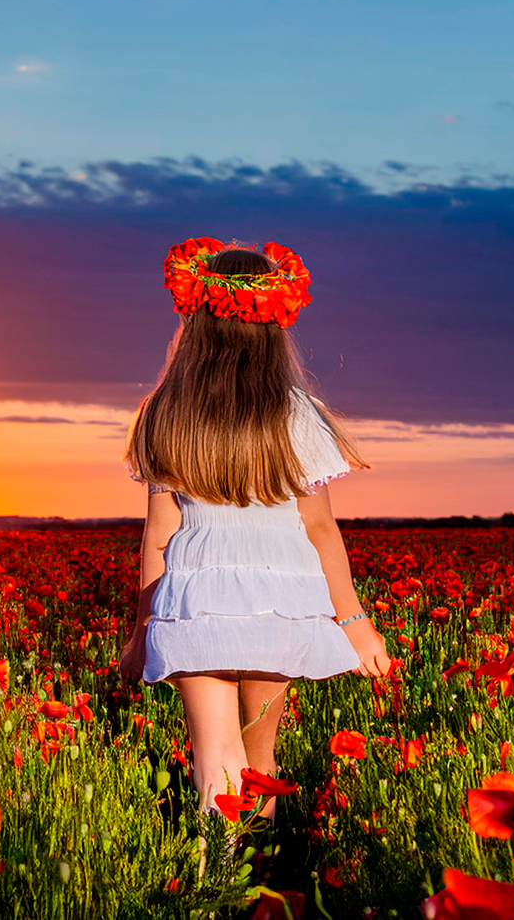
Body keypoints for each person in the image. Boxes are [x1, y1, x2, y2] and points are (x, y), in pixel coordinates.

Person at [118, 236, 392, 828]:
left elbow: (160, 535)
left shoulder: (165, 411)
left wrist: (142, 631)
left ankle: (216, 880)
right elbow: (320, 530)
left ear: (196, 321)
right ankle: (262, 886)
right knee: (258, 759)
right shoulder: (296, 412)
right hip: (281, 604)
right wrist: (355, 622)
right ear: (274, 325)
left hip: (194, 604)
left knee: (215, 757)